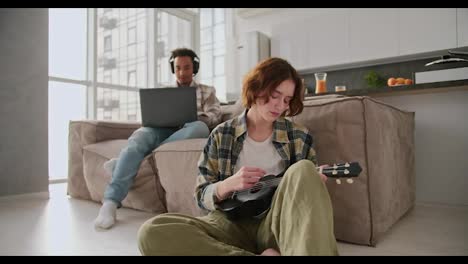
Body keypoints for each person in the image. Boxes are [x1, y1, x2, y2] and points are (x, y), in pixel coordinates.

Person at [137, 57, 339, 256]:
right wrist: (228, 184)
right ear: (257, 88)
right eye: (275, 95)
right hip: (229, 223)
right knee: (151, 231)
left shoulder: (299, 136)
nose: (280, 106)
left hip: (276, 224)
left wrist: (311, 180)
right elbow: (201, 195)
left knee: (304, 168)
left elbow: (307, 207)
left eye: (286, 100)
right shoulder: (221, 134)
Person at [94, 48, 222, 229]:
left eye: (186, 67)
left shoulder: (207, 91)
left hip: (189, 129)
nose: (182, 72)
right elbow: (152, 115)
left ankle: (125, 162)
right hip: (162, 128)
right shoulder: (164, 91)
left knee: (200, 128)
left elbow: (215, 114)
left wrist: (194, 116)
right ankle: (110, 203)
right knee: (140, 136)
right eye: (177, 68)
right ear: (173, 69)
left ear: (194, 68)